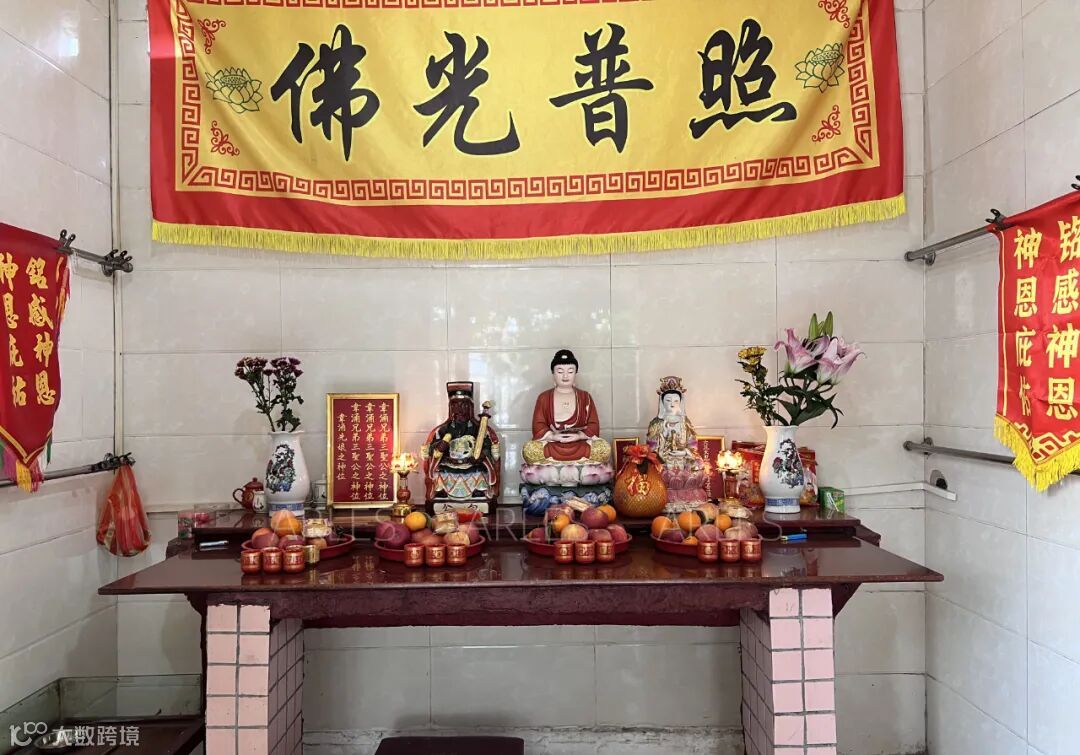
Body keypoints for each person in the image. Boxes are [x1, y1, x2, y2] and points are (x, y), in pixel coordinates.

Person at [421, 382, 500, 510]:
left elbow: (487, 446)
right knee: (440, 475)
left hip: (472, 465)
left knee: (480, 474)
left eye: (463, 406)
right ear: (450, 408)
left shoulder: (477, 428)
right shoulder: (443, 429)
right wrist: (440, 446)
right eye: (455, 406)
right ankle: (442, 492)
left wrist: (482, 455)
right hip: (449, 465)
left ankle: (477, 492)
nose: (459, 410)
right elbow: (431, 449)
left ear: (470, 408)